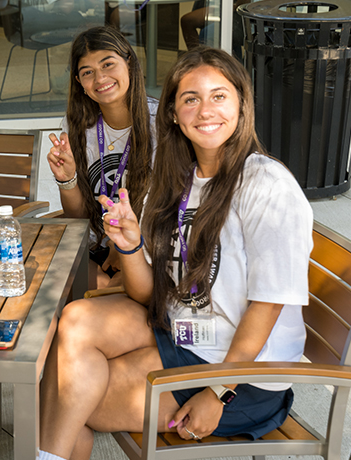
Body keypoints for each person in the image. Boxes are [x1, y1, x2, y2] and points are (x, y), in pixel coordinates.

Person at [37, 47, 314, 460]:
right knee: (74, 324)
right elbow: (150, 296)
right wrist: (129, 243)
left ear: (241, 102)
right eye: (191, 99)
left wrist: (218, 392)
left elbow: (268, 306)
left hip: (245, 377)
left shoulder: (266, 185)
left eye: (219, 96)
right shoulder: (178, 179)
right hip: (186, 336)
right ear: (171, 113)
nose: (205, 110)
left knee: (68, 395)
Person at [46, 26, 158, 289]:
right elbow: (79, 216)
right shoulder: (77, 127)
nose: (100, 78)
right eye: (88, 72)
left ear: (128, 62)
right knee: (45, 286)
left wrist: (126, 246)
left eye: (108, 64)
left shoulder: (161, 125)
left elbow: (168, 210)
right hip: (97, 249)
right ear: (79, 83)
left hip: (147, 252)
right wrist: (68, 179)